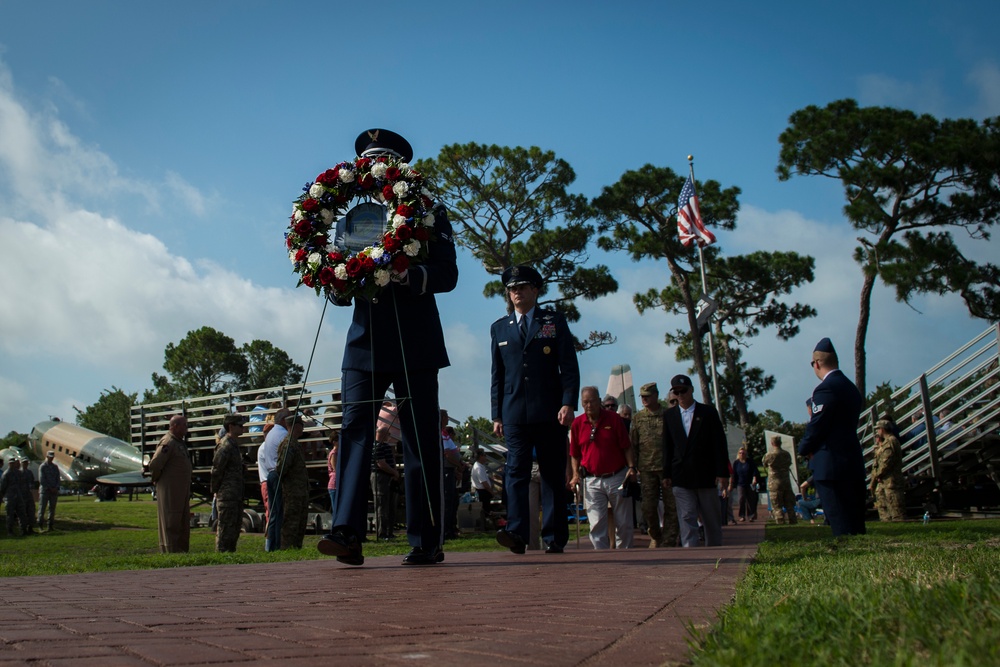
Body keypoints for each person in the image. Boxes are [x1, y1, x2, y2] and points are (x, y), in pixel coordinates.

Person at [318, 128, 458, 567]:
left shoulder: (429, 212)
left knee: (418, 440)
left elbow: (448, 274)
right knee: (355, 432)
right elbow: (340, 280)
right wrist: (335, 284)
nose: (373, 166)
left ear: (396, 167)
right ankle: (347, 533)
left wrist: (411, 276)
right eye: (367, 159)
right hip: (364, 344)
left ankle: (425, 538)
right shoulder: (351, 217)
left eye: (381, 159)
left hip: (415, 340)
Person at [491, 264, 580, 555]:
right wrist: (496, 414)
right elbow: (497, 375)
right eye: (512, 289)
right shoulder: (500, 328)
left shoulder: (553, 322)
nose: (516, 293)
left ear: (535, 291)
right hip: (514, 412)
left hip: (550, 411)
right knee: (515, 472)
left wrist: (568, 402)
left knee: (552, 474)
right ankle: (516, 532)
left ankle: (554, 536)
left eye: (522, 287)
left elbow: (568, 366)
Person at [797, 337, 867, 537]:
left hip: (831, 466)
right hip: (851, 461)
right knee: (855, 524)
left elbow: (817, 426)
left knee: (840, 524)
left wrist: (804, 449)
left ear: (816, 363)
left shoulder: (825, 389)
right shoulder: (850, 387)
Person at [661, 374, 730, 547]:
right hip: (681, 475)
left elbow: (719, 444)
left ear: (691, 390)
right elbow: (667, 446)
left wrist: (722, 472)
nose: (681, 395)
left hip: (705, 474)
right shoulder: (669, 416)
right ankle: (690, 552)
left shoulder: (707, 412)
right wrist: (666, 473)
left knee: (711, 518)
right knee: (687, 517)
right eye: (677, 392)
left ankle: (715, 551)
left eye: (683, 391)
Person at [569, 386, 637, 549]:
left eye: (592, 401)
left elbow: (626, 446)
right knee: (596, 523)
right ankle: (602, 555)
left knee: (623, 522)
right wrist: (575, 474)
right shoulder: (578, 424)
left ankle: (625, 554)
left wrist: (632, 467)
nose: (589, 405)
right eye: (585, 402)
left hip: (616, 476)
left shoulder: (614, 419)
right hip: (592, 479)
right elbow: (575, 454)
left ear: (599, 401)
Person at [630, 382, 677, 548]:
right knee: (648, 507)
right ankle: (655, 535)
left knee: (672, 506)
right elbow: (633, 444)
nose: (644, 399)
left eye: (647, 396)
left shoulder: (669, 415)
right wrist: (633, 467)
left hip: (666, 469)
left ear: (656, 396)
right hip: (647, 468)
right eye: (642, 397)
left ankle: (670, 538)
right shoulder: (638, 418)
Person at [148, 414, 193, 553]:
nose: (186, 428)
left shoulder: (179, 442)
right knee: (171, 520)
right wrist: (157, 478)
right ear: (174, 426)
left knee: (181, 521)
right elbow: (155, 464)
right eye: (184, 425)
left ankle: (181, 550)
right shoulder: (168, 442)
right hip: (170, 490)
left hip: (181, 490)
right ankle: (170, 550)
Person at [211, 413, 246, 552]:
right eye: (240, 426)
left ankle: (229, 555)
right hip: (227, 494)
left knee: (234, 528)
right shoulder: (225, 445)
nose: (243, 428)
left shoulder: (233, 445)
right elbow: (216, 470)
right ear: (231, 426)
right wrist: (216, 490)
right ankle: (221, 556)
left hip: (235, 494)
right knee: (225, 528)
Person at [277, 417, 310, 548]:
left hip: (299, 491)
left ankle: (296, 547)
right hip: (292, 492)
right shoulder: (288, 444)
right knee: (291, 523)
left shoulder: (294, 443)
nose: (303, 428)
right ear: (296, 426)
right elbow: (282, 468)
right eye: (302, 425)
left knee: (300, 523)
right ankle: (287, 548)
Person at [870, 419, 906, 522]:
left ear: (882, 429)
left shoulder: (891, 441)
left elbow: (886, 463)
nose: (877, 432)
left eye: (878, 429)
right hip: (885, 480)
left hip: (891, 480)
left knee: (896, 508)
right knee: (884, 507)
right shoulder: (885, 442)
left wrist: (878, 475)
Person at [371, 426, 400, 540]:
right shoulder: (377, 446)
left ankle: (389, 532)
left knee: (390, 505)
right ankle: (382, 533)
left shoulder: (386, 446)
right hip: (380, 476)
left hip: (389, 476)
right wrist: (394, 472)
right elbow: (381, 463)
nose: (389, 437)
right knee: (381, 505)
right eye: (388, 434)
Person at [762, 436, 798, 524]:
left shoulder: (769, 455)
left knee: (777, 505)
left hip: (774, 483)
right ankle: (793, 520)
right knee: (789, 504)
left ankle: (780, 521)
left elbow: (764, 464)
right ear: (780, 443)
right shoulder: (786, 454)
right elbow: (789, 464)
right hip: (786, 482)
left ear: (772, 443)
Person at [441, 418, 463, 540]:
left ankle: (451, 528)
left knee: (453, 501)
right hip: (446, 471)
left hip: (451, 470)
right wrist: (458, 465)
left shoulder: (446, 435)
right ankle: (446, 530)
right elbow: (447, 454)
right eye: (446, 416)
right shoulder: (442, 435)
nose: (448, 418)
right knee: (448, 501)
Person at [1, 458, 31, 536]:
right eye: (11, 463)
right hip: (10, 497)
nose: (12, 464)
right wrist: (4, 496)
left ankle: (23, 530)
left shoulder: (18, 473)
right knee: (10, 515)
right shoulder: (6, 474)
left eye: (13, 463)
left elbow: (22, 484)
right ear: (8, 464)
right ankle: (10, 531)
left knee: (22, 514)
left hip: (19, 496)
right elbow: (3, 487)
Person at [730, 446, 759, 522]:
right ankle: (742, 515)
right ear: (738, 454)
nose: (742, 454)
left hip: (750, 483)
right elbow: (734, 474)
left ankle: (751, 515)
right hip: (740, 483)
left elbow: (754, 471)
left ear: (746, 453)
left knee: (750, 500)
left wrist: (754, 478)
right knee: (741, 499)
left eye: (743, 453)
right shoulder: (736, 463)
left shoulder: (750, 461)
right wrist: (733, 483)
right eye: (740, 453)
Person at [471, 449, 494, 530]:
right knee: (486, 510)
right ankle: (486, 526)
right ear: (480, 456)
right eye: (484, 455)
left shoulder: (480, 466)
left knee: (486, 509)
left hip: (483, 491)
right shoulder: (478, 468)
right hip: (482, 491)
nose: (485, 457)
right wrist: (491, 491)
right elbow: (483, 482)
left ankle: (485, 525)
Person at [37, 451, 60, 531]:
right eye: (50, 456)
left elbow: (58, 478)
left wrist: (56, 488)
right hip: (45, 491)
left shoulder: (55, 467)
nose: (51, 458)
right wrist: (50, 488)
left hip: (53, 491)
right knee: (42, 508)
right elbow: (42, 479)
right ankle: (40, 525)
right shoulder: (42, 466)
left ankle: (50, 525)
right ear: (47, 456)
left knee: (52, 509)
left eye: (52, 456)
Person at [326, 429, 339, 512]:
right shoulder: (334, 453)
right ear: (334, 442)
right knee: (336, 509)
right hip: (334, 485)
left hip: (337, 484)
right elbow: (336, 469)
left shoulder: (338, 452)